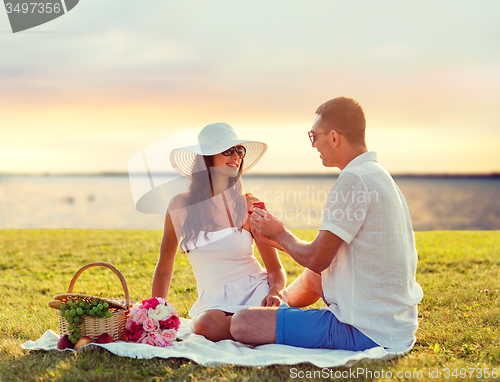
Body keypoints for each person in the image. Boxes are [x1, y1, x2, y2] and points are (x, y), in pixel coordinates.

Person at [230, 97, 424, 351]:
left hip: (365, 331)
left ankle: (273, 317)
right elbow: (321, 266)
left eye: (314, 136)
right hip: (394, 325)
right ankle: (282, 306)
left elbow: (318, 257)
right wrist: (276, 241)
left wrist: (279, 234)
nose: (314, 145)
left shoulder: (353, 179)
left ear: (334, 137)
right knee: (315, 278)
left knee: (242, 323)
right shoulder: (376, 174)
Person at [151, 122, 286, 342]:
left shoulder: (250, 205)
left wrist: (275, 292)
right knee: (205, 325)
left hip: (256, 293)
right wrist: (155, 312)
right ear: (206, 158)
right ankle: (263, 329)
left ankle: (260, 326)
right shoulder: (180, 207)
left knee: (245, 319)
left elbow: (275, 269)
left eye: (239, 150)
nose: (236, 156)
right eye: (227, 150)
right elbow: (165, 265)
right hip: (213, 304)